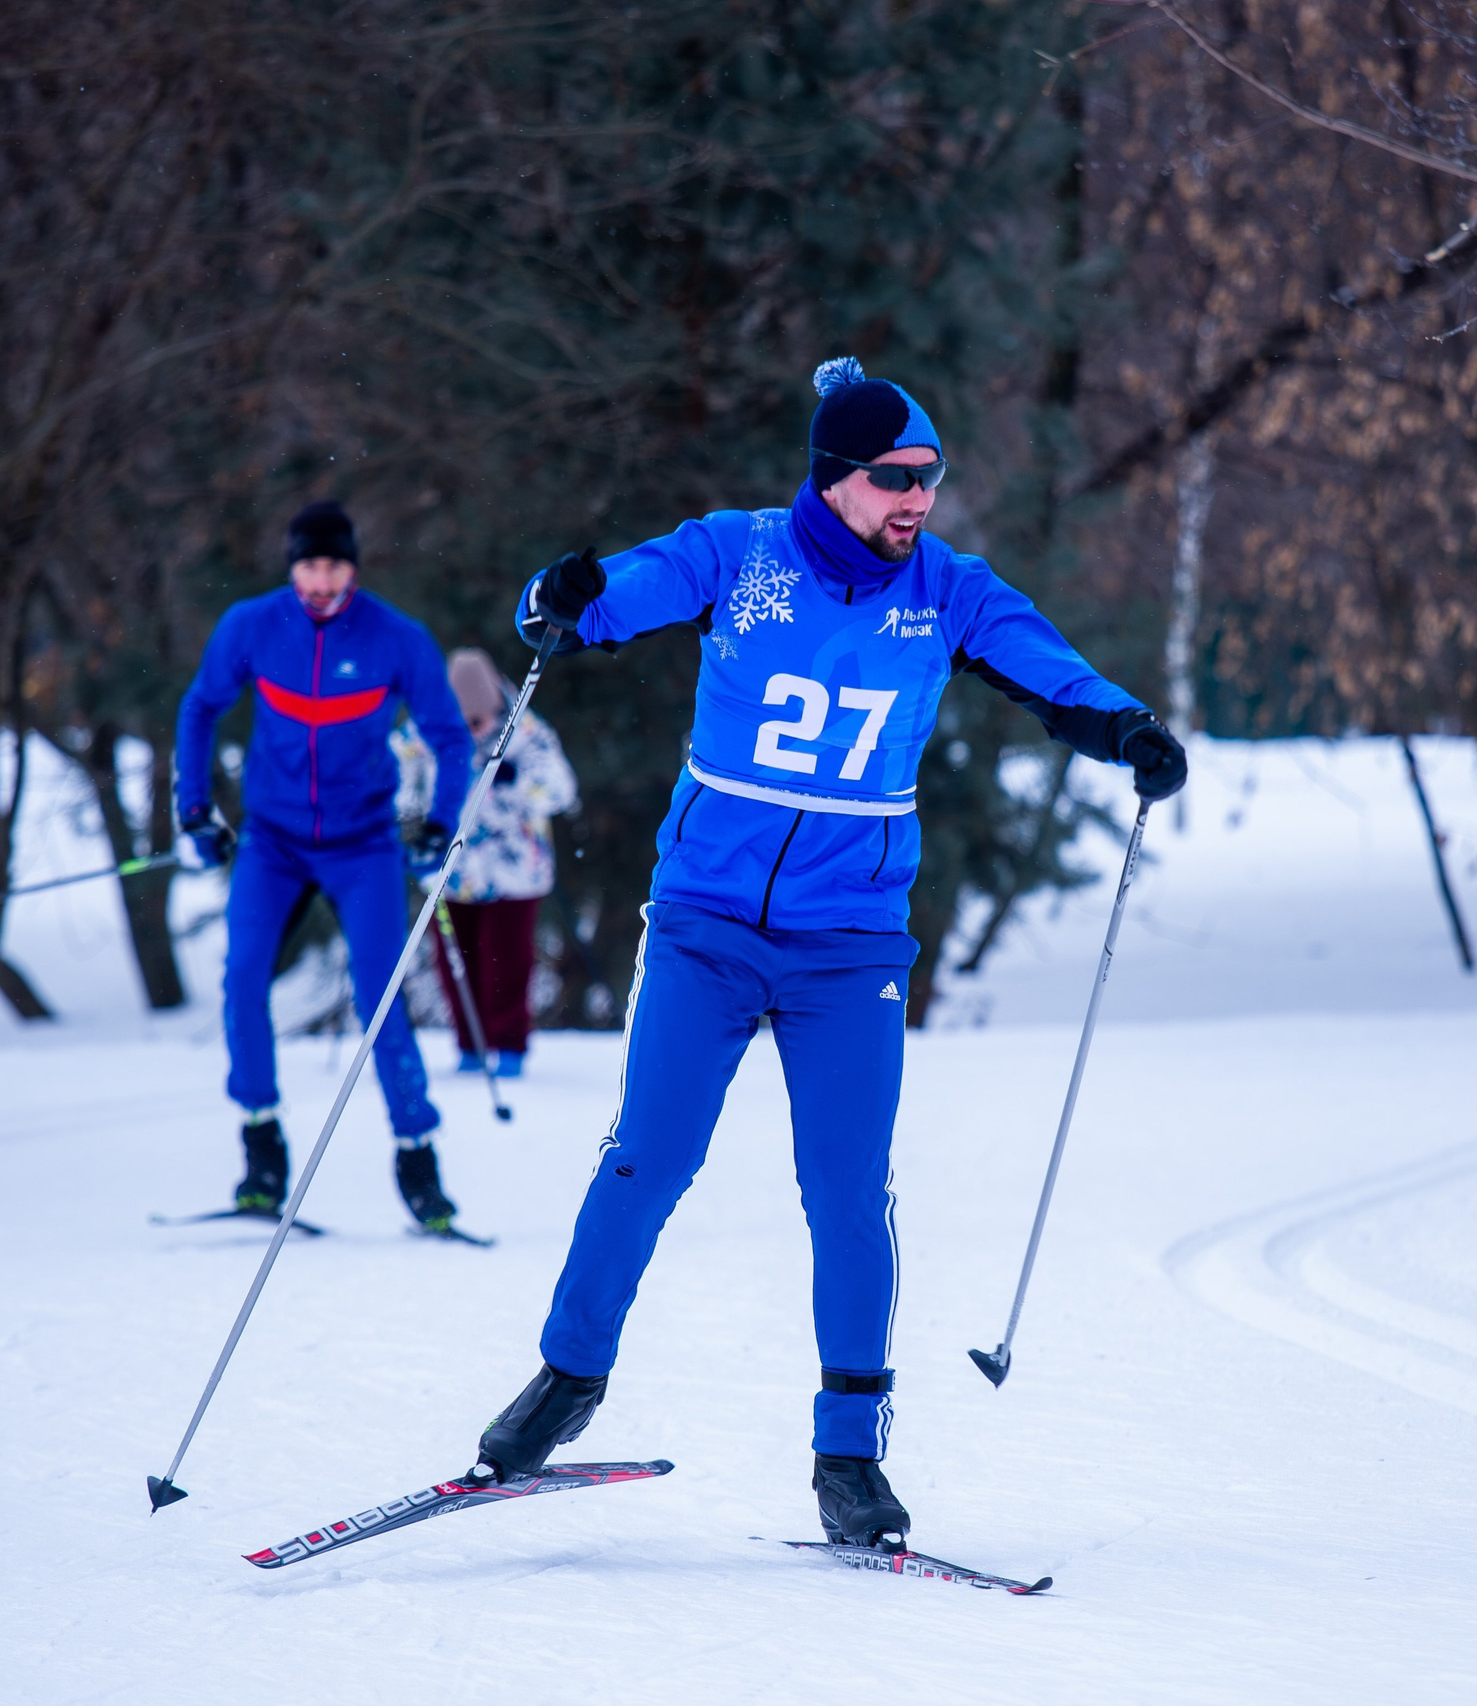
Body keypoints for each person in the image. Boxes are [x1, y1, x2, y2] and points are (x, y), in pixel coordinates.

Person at [464, 358, 1187, 1548]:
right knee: (645, 1158)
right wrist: (567, 594)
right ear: (835, 479)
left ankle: (848, 1452)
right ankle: (568, 1375)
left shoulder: (946, 592)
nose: (919, 500)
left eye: (931, 479)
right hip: (705, 926)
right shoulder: (739, 556)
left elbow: (1046, 666)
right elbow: (621, 588)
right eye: (897, 479)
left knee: (847, 1190)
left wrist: (1124, 726)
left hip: (849, 941)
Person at [174, 500, 476, 1233]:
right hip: (271, 841)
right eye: (308, 564)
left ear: (353, 567)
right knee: (243, 975)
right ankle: (261, 1146)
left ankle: (417, 1158)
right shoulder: (252, 625)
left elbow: (452, 739)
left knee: (380, 1000)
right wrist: (193, 807)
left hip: (362, 843)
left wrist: (440, 824)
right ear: (292, 567)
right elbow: (199, 708)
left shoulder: (394, 637)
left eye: (334, 564)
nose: (321, 579)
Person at [427, 647, 579, 1078]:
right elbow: (401, 784)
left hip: (515, 872)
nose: (474, 729)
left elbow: (561, 791)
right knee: (456, 960)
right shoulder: (429, 732)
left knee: (506, 960)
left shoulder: (525, 730)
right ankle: (469, 1043)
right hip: (454, 873)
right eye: (465, 720)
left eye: (479, 719)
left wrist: (518, 780)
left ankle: (509, 1044)